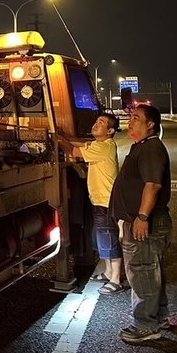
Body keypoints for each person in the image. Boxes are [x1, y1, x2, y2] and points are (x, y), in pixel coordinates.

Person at [110, 104, 172, 344]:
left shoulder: (151, 148)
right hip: (141, 220)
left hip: (146, 221)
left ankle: (146, 326)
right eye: (130, 117)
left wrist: (142, 217)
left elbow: (152, 185)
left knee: (143, 272)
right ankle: (159, 318)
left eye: (136, 118)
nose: (130, 121)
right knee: (151, 273)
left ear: (150, 124)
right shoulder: (142, 146)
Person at [60, 113, 122, 294]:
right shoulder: (98, 144)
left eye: (101, 123)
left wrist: (56, 139)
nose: (95, 125)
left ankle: (116, 280)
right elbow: (79, 142)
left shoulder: (106, 147)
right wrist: (63, 135)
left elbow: (74, 151)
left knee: (109, 238)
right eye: (96, 121)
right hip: (100, 200)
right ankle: (109, 272)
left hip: (106, 201)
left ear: (110, 131)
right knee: (103, 238)